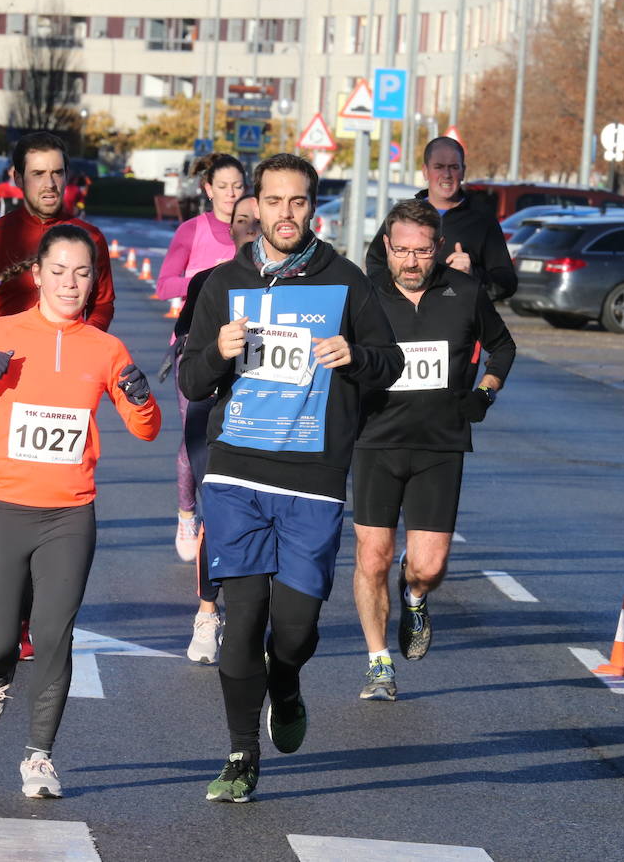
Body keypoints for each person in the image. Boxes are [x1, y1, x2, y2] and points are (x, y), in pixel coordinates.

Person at [178, 153, 403, 802]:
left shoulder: (347, 282)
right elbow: (192, 380)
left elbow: (388, 365)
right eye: (273, 201)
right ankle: (242, 753)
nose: (284, 214)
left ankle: (289, 682)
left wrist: (356, 356)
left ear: (313, 208)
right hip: (237, 477)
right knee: (242, 624)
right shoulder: (224, 282)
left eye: (297, 203)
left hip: (312, 479)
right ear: (257, 204)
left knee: (297, 630)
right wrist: (218, 353)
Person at [0, 225, 161, 799]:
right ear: (36, 275)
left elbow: (147, 429)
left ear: (93, 283)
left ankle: (40, 756)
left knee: (56, 637)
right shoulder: (3, 331)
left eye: (82, 273)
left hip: (69, 515)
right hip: (2, 507)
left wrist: (139, 396)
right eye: (58, 271)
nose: (70, 282)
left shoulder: (106, 348)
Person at [352, 199, 516, 701]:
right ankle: (379, 664)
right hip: (376, 440)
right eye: (401, 250)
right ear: (386, 247)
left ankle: (416, 595)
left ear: (438, 249)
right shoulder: (364, 296)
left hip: (440, 445)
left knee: (429, 566)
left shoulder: (464, 293)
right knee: (372, 557)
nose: (410, 262)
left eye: (421, 252)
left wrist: (485, 391)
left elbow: (503, 346)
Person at [0, 131, 116, 479]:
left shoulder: (89, 237)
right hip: (0, 379)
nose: (50, 183)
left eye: (57, 173)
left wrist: (79, 347)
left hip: (61, 378)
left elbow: (102, 303)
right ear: (18, 178)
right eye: (38, 174)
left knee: (60, 481)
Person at [168, 194, 261, 666]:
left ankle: (259, 620)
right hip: (215, 412)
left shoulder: (297, 285)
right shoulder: (209, 281)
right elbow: (187, 346)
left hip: (273, 420)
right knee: (218, 513)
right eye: (241, 220)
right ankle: (208, 613)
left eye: (256, 221)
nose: (249, 228)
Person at [156, 153, 249, 563]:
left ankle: (229, 517)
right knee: (195, 434)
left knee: (237, 433)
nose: (231, 194)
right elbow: (163, 286)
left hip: (247, 345)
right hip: (196, 342)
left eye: (238, 186)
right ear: (208, 190)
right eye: (223, 186)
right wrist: (209, 277)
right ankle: (186, 512)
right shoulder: (193, 230)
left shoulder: (255, 229)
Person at [365, 136, 517, 302]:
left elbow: (506, 282)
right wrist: (399, 292)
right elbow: (375, 264)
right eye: (439, 167)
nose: (447, 174)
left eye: (453, 167)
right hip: (406, 318)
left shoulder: (482, 219)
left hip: (457, 319)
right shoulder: (403, 215)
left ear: (463, 171)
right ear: (425, 171)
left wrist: (472, 275)